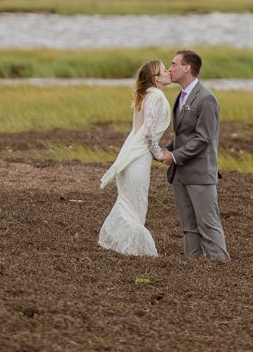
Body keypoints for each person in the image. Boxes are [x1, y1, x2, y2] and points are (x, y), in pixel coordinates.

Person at [159, 48, 229, 260]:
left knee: (208, 225)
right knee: (189, 228)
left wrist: (174, 156)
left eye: (173, 64)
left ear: (186, 67)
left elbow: (203, 138)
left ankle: (222, 269)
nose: (169, 69)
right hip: (180, 174)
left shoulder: (206, 98)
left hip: (200, 173)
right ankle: (194, 269)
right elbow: (184, 135)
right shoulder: (181, 96)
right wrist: (166, 149)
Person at [98, 59, 172, 256]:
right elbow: (148, 133)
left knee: (130, 204)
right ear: (157, 78)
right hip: (138, 159)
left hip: (132, 156)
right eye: (166, 70)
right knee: (136, 207)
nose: (169, 72)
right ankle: (133, 250)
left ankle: (130, 249)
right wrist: (159, 155)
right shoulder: (156, 97)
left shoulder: (146, 96)